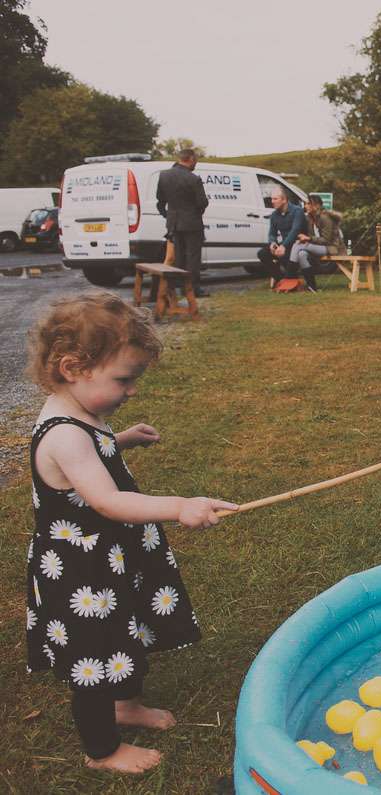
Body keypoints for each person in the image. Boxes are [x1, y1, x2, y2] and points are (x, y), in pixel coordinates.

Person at [23, 293, 237, 773]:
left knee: (123, 631)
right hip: (81, 571)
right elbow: (107, 501)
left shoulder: (80, 416)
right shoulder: (64, 433)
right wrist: (179, 506)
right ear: (74, 367)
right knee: (94, 656)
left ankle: (125, 705)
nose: (132, 391)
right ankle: (102, 750)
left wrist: (119, 440)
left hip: (107, 557)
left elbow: (89, 459)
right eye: (124, 379)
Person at [154, 148, 209, 297]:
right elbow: (202, 202)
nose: (196, 163)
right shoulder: (193, 179)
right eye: (195, 160)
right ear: (190, 159)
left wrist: (168, 216)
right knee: (193, 257)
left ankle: (179, 286)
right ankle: (192, 288)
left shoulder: (164, 176)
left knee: (179, 256)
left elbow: (160, 202)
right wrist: (196, 214)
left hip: (173, 223)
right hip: (192, 223)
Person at [290, 194, 344, 291]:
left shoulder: (325, 218)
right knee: (302, 254)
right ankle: (312, 286)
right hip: (318, 246)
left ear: (317, 205)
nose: (305, 206)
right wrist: (305, 238)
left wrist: (308, 239)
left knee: (298, 246)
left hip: (332, 248)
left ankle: (289, 278)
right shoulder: (310, 218)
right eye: (305, 204)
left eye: (308, 204)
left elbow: (327, 240)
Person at [257, 187, 305, 285]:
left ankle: (289, 279)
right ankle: (280, 279)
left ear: (284, 200)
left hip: (298, 244)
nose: (272, 201)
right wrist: (273, 243)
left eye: (275, 199)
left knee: (285, 254)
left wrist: (283, 246)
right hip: (284, 246)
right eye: (272, 199)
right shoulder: (274, 215)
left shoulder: (297, 211)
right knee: (262, 253)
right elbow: (272, 233)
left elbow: (295, 231)